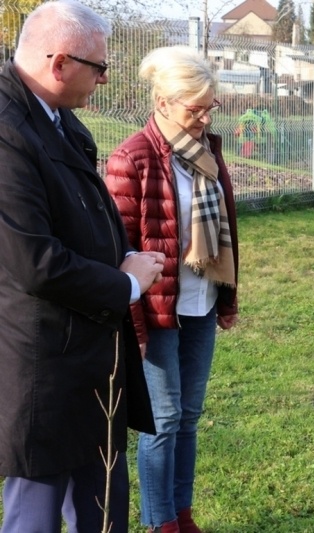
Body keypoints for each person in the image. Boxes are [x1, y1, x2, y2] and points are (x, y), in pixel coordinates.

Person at [0, 1, 165, 532]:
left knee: (103, 507)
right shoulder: (7, 132)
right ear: (60, 63)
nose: (104, 78)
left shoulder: (61, 120)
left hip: (91, 357)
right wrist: (124, 284)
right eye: (100, 67)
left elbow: (84, 219)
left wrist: (123, 263)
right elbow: (35, 261)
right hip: (43, 365)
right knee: (37, 514)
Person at [105, 45, 239, 533]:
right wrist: (133, 320)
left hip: (199, 303)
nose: (204, 116)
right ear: (162, 102)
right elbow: (116, 247)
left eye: (210, 106)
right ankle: (161, 522)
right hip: (158, 312)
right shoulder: (130, 159)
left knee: (187, 416)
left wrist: (227, 298)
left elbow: (226, 233)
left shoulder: (206, 154)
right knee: (161, 422)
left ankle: (182, 514)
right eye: (194, 107)